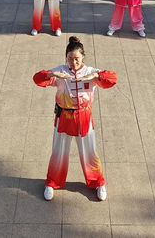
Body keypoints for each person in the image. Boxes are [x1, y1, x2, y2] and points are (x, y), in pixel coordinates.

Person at [33, 36, 117, 202]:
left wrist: (97, 76)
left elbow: (113, 79)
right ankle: (52, 182)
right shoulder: (60, 72)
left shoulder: (91, 72)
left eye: (77, 58)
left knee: (90, 152)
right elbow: (37, 79)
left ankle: (97, 182)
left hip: (84, 117)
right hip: (63, 116)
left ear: (82, 57)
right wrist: (50, 74)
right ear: (66, 58)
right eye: (70, 59)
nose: (73, 62)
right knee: (58, 152)